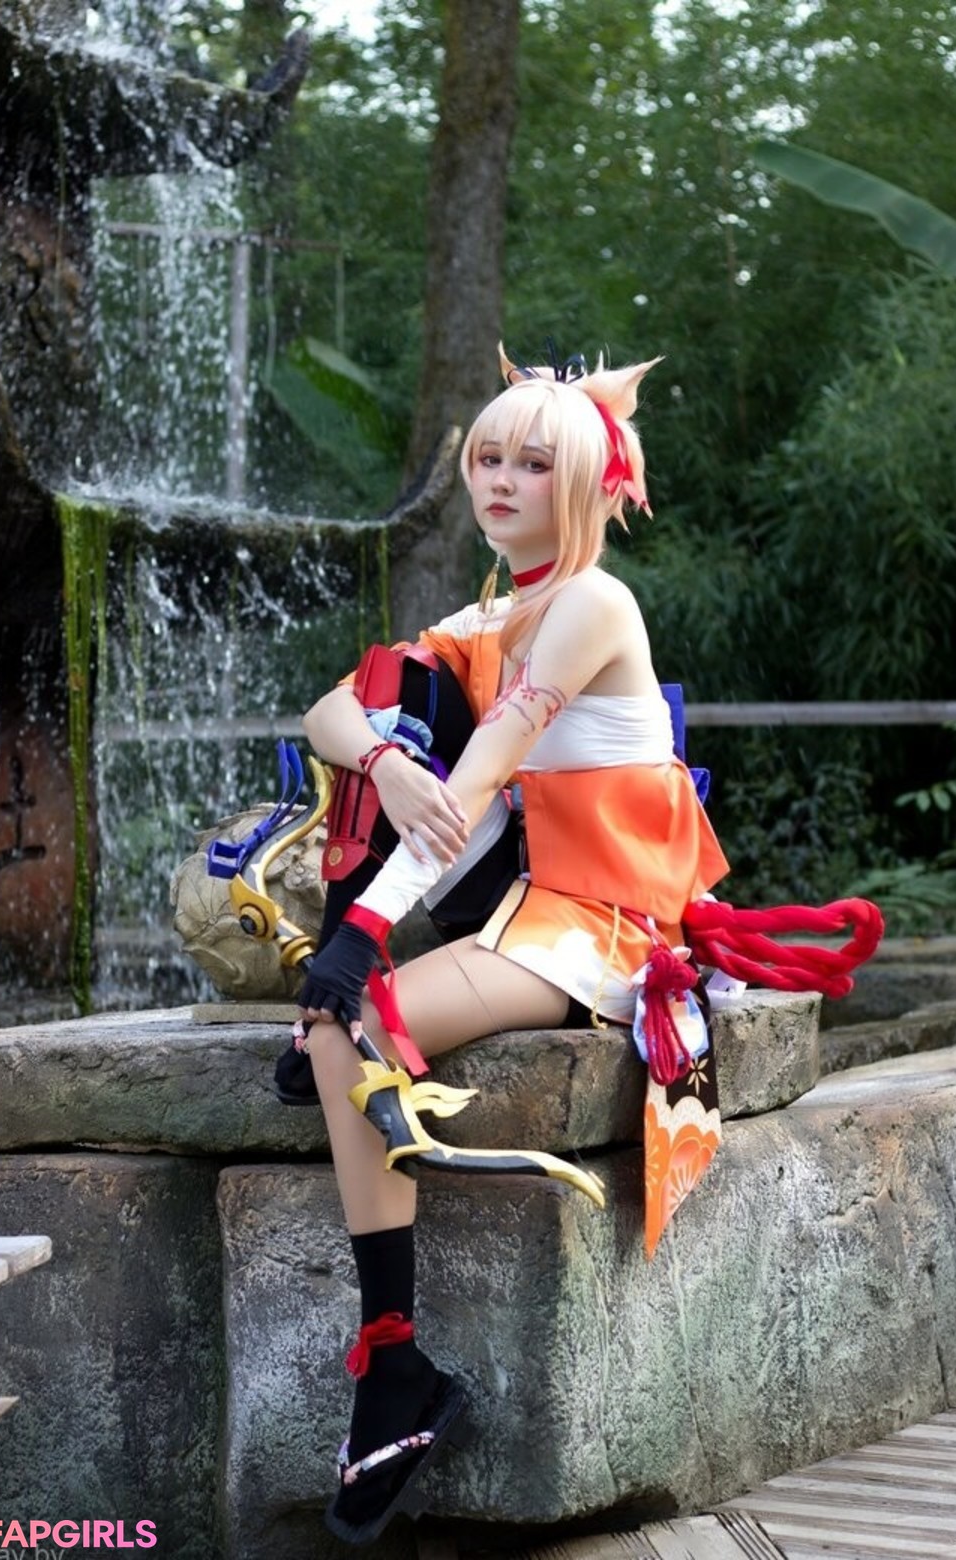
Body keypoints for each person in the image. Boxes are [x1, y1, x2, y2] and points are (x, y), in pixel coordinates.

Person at [285, 343, 735, 1545]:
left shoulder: (591, 603)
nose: (500, 480)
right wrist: (383, 755)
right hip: (520, 895)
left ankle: (393, 1369)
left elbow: (483, 774)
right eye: (488, 457)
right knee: (398, 698)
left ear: (584, 484)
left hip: (605, 922)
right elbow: (328, 711)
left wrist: (362, 940)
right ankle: (395, 1357)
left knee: (348, 1024)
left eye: (532, 464)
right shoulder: (487, 614)